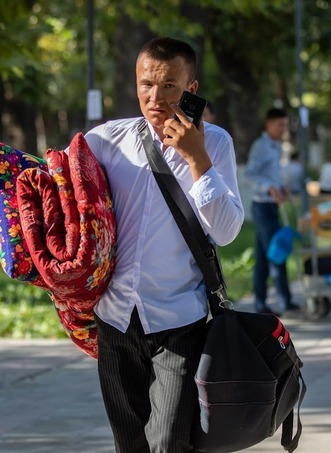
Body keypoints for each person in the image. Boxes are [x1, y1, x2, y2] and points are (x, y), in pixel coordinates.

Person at [82, 37, 244, 452]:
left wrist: (197, 159)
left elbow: (226, 231)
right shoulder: (103, 142)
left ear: (191, 89)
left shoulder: (216, 144)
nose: (155, 98)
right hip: (116, 321)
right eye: (146, 84)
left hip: (179, 320)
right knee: (130, 444)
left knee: (171, 441)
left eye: (169, 86)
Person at [245, 108, 301, 316]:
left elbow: (273, 174)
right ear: (268, 124)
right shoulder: (260, 146)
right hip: (262, 207)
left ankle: (260, 304)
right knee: (277, 253)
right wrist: (269, 187)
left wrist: (280, 187)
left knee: (263, 257)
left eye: (285, 125)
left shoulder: (277, 146)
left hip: (273, 206)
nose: (283, 129)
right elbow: (250, 174)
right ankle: (285, 302)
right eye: (280, 125)